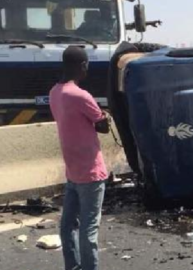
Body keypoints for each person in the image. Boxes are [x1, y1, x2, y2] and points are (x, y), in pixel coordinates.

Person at [50, 46, 110, 270]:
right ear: (82, 66)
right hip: (92, 173)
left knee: (67, 226)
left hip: (73, 172)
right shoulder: (81, 95)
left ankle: (72, 267)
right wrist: (104, 115)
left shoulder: (54, 92)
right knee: (89, 230)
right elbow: (102, 126)